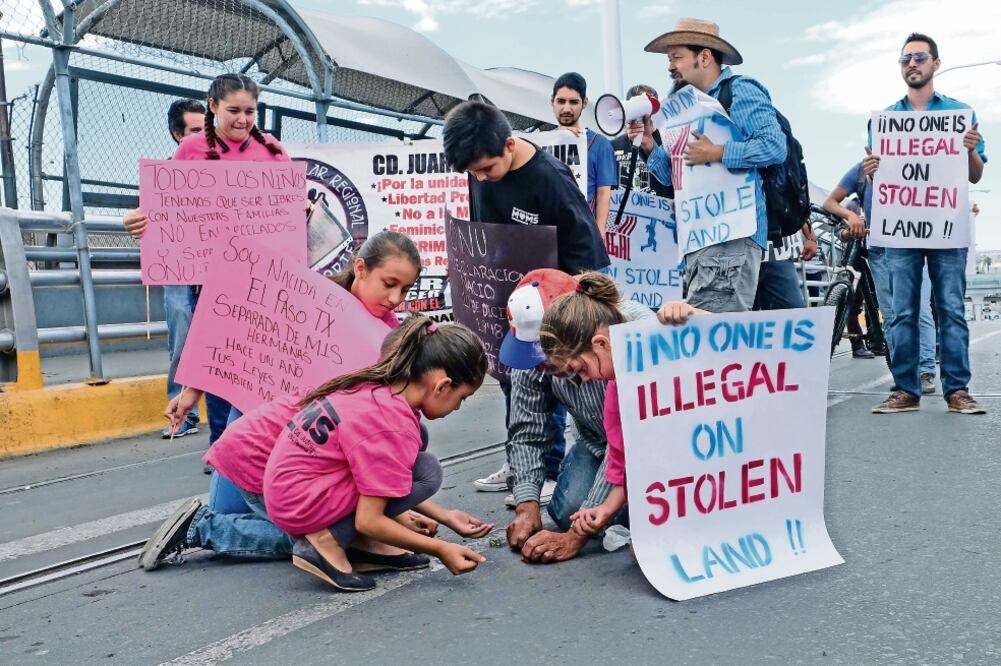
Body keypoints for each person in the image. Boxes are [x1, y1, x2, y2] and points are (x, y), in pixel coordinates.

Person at [139, 231, 424, 571]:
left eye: (405, 290)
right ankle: (205, 526)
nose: (395, 298)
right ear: (361, 269)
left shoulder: (390, 335)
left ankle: (220, 527)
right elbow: (236, 333)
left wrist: (395, 509)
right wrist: (190, 394)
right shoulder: (307, 297)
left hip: (310, 453)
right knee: (326, 539)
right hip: (257, 431)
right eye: (389, 283)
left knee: (339, 535)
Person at [444, 101, 610, 499]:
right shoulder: (479, 173)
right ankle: (520, 463)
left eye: (486, 169)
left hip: (558, 302)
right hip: (510, 297)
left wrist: (577, 313)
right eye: (472, 173)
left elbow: (590, 256)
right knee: (510, 379)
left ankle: (551, 469)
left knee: (550, 381)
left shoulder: (550, 179)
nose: (481, 179)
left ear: (509, 144)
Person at [265, 318, 491, 592]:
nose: (458, 407)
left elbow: (388, 475)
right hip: (301, 504)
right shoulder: (391, 424)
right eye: (462, 397)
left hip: (290, 490)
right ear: (442, 386)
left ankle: (360, 544)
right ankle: (326, 541)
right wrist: (441, 548)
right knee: (427, 472)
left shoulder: (378, 390)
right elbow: (369, 519)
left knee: (418, 441)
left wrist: (446, 516)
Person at [629, 18, 786, 313]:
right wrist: (650, 144)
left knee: (712, 330)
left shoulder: (740, 91)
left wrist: (717, 152)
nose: (670, 66)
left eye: (676, 57)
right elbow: (673, 175)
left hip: (732, 237)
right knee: (709, 332)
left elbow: (774, 147)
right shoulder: (682, 105)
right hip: (701, 238)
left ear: (704, 57)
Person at [866, 33, 987, 415]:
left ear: (935, 63)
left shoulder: (959, 114)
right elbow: (883, 181)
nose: (912, 64)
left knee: (950, 308)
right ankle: (905, 389)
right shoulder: (885, 120)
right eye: (905, 60)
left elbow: (975, 176)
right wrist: (871, 173)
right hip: (902, 230)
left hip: (946, 227)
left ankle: (957, 391)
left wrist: (969, 151)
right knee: (902, 311)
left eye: (919, 57)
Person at [500, 270, 654, 563]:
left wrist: (577, 535)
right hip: (600, 444)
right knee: (568, 510)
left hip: (648, 448)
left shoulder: (633, 332)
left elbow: (632, 438)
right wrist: (526, 504)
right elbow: (526, 431)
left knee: (589, 516)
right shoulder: (531, 351)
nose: (549, 366)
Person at [533, 278, 704, 538]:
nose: (585, 379)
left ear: (601, 344)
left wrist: (694, 315)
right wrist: (606, 508)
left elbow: (739, 342)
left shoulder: (660, 340)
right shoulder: (615, 389)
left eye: (581, 369)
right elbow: (622, 452)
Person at [122, 98, 232, 448]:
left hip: (221, 270)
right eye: (196, 131)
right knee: (183, 332)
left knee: (221, 343)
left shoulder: (228, 166)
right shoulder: (165, 174)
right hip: (181, 266)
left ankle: (224, 432)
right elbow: (145, 217)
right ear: (176, 134)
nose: (205, 137)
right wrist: (133, 222)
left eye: (208, 129)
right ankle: (184, 411)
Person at [823, 163, 938, 378]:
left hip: (916, 249)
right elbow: (829, 202)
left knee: (920, 311)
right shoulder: (862, 170)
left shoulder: (921, 162)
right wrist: (851, 215)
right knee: (892, 315)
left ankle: (924, 371)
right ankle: (903, 374)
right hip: (881, 252)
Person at [550, 72, 618, 233]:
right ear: (552, 100)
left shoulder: (600, 144)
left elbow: (603, 194)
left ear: (584, 103)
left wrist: (599, 234)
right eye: (561, 101)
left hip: (582, 232)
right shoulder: (541, 143)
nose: (567, 108)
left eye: (574, 102)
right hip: (547, 234)